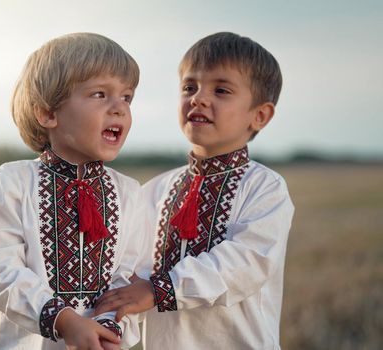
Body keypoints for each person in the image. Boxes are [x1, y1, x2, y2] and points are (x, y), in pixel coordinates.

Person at [94, 32, 295, 349]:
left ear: (260, 115)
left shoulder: (264, 188)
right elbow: (132, 279)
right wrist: (113, 325)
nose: (198, 98)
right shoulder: (156, 190)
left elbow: (243, 265)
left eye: (221, 90)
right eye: (190, 87)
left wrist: (161, 289)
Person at [0, 32, 143, 350]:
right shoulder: (9, 185)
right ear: (48, 113)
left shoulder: (131, 195)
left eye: (127, 97)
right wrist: (64, 321)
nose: (119, 108)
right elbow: (1, 273)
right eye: (100, 94)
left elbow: (127, 279)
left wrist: (106, 329)